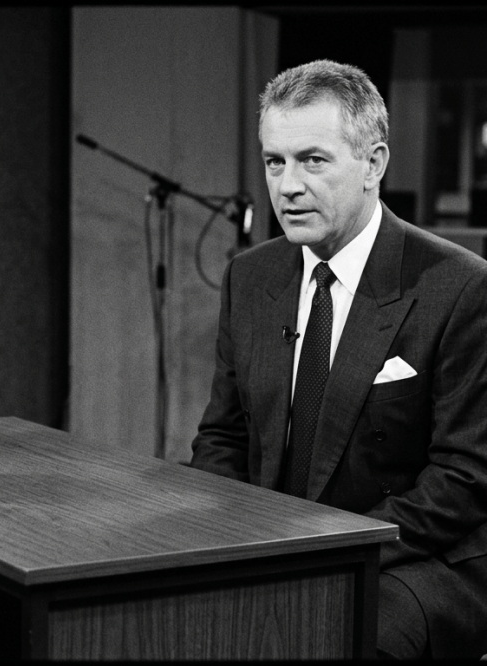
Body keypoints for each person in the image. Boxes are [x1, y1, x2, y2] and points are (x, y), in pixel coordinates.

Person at [190, 59, 487, 659]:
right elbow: (223, 437)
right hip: (277, 545)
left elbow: (464, 479)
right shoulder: (249, 276)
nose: (287, 186)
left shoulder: (459, 285)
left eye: (313, 160)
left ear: (373, 164)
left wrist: (329, 548)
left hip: (413, 555)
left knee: (333, 639)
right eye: (275, 161)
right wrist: (226, 540)